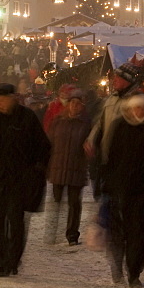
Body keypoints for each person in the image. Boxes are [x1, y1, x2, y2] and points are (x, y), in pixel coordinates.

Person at [0, 83, 51, 277]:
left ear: (13, 99)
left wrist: (37, 169)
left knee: (16, 221)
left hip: (20, 180)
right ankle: (0, 263)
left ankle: (13, 260)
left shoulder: (26, 118)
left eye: (2, 100)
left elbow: (43, 146)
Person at [103, 93, 144, 288]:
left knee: (138, 232)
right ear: (129, 110)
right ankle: (118, 266)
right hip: (120, 189)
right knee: (119, 232)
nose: (141, 112)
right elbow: (110, 158)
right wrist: (107, 184)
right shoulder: (119, 127)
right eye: (137, 108)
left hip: (143, 191)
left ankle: (134, 272)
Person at [85, 63, 144, 197]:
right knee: (108, 201)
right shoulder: (111, 99)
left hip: (129, 164)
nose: (113, 80)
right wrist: (91, 140)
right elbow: (100, 123)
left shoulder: (139, 102)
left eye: (118, 77)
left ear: (127, 80)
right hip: (107, 159)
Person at [46, 89, 91, 246]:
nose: (75, 106)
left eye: (78, 104)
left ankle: (72, 234)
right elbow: (49, 142)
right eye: (72, 103)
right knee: (56, 202)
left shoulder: (86, 124)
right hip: (58, 166)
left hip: (76, 167)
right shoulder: (58, 121)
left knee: (74, 203)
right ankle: (52, 232)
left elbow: (91, 145)